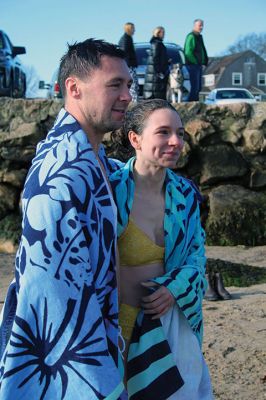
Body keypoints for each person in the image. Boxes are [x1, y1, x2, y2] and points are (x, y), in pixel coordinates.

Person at [0, 38, 132, 399]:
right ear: (74, 88)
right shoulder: (62, 173)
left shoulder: (96, 160)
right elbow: (53, 296)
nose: (127, 96)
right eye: (114, 85)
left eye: (128, 85)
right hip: (71, 361)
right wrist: (98, 369)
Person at [110, 99, 213, 399]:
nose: (175, 142)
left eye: (180, 133)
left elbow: (196, 254)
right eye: (164, 132)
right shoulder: (109, 192)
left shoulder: (186, 194)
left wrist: (173, 289)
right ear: (135, 138)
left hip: (167, 322)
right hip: (118, 325)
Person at [184, 19, 208, 101]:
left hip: (198, 65)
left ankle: (196, 104)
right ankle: (190, 105)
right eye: (199, 25)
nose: (201, 27)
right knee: (194, 87)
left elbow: (202, 50)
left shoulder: (199, 37)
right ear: (194, 26)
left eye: (202, 25)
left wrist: (204, 62)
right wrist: (195, 62)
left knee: (198, 87)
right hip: (192, 65)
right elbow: (188, 52)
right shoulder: (191, 36)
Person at [143, 26, 170, 100]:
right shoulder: (157, 44)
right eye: (163, 32)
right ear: (158, 33)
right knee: (156, 99)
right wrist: (160, 72)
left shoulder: (157, 43)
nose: (164, 34)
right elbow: (156, 59)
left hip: (156, 76)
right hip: (156, 78)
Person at [118, 22, 139, 102]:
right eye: (133, 28)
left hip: (128, 66)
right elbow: (124, 53)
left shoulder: (126, 38)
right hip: (128, 66)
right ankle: (134, 104)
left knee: (133, 86)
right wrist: (127, 66)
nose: (135, 30)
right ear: (129, 29)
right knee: (133, 86)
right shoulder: (126, 39)